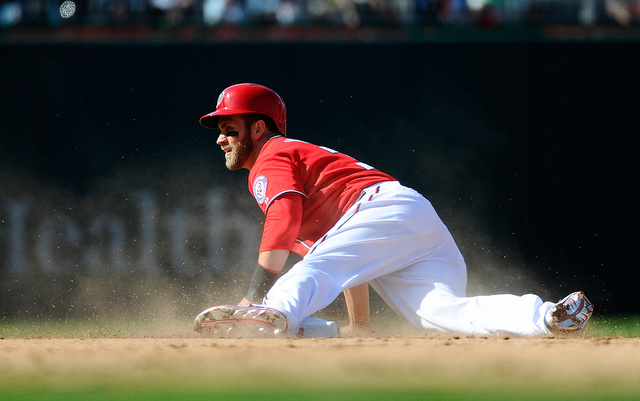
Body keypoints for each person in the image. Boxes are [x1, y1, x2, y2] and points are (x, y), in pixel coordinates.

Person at [193, 83, 593, 337]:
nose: (221, 139)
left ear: (259, 128)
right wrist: (361, 327)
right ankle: (547, 317)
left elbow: (285, 215)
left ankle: (266, 316)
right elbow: (346, 261)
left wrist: (255, 295)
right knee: (440, 315)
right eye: (221, 130)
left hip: (377, 208)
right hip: (404, 217)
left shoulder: (272, 155)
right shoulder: (288, 156)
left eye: (231, 128)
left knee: (312, 272)